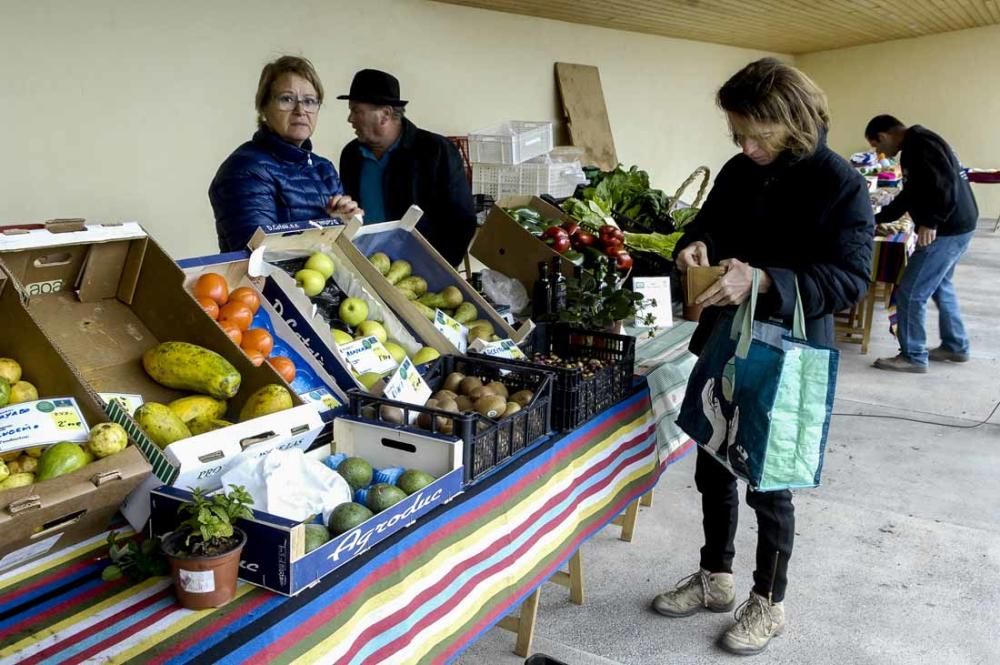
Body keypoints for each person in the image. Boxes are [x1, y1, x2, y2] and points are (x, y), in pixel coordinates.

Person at [655, 58, 873, 656]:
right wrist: (696, 245)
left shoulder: (840, 184)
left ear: (794, 120)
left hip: (789, 351)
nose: (747, 146)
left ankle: (769, 602)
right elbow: (709, 225)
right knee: (713, 463)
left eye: (760, 135)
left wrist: (766, 280)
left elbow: (851, 278)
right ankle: (715, 577)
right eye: (737, 134)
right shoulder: (739, 170)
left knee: (769, 481)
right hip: (727, 338)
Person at [209, 56, 360, 252]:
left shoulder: (324, 169)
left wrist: (345, 226)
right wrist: (327, 229)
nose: (300, 110)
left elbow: (340, 254)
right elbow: (261, 255)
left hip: (319, 281)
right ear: (263, 107)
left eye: (310, 101)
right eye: (287, 99)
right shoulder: (245, 169)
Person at [865, 115, 979, 373]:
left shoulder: (922, 144)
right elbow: (911, 194)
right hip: (959, 225)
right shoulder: (916, 146)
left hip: (947, 231)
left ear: (883, 136)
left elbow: (945, 183)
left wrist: (931, 222)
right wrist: (877, 218)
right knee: (941, 287)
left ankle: (913, 355)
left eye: (877, 146)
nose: (880, 153)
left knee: (910, 291)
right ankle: (956, 345)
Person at [337, 69, 476, 267]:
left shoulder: (435, 151)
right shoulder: (351, 155)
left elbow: (461, 220)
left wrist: (439, 268)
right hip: (367, 266)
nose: (350, 119)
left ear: (385, 114)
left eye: (356, 111)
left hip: (423, 271)